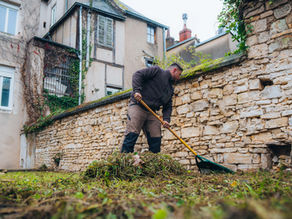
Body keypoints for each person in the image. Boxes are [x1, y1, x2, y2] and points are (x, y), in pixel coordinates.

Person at [121, 63, 183, 153]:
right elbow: (137, 74)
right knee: (132, 134)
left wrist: (166, 119)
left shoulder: (170, 88)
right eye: (179, 74)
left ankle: (154, 162)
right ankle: (124, 161)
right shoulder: (156, 71)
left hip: (152, 112)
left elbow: (168, 105)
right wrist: (137, 91)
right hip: (138, 105)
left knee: (156, 138)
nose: (179, 77)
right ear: (174, 70)